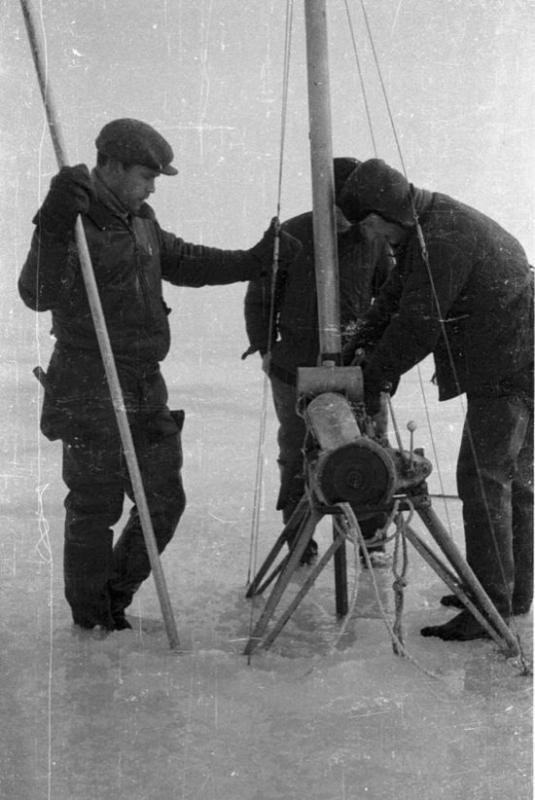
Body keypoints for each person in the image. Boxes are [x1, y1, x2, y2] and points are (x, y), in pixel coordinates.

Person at [18, 118, 301, 634]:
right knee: (95, 506)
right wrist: (54, 224)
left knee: (164, 501)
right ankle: (94, 620)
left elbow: (188, 261)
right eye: (147, 175)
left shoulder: (140, 219)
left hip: (145, 381)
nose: (152, 187)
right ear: (111, 166)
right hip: (90, 382)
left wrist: (256, 261)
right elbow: (36, 295)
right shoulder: (75, 219)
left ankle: (113, 596)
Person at [338, 157, 533, 640]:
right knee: (514, 481)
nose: (379, 241)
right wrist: (359, 342)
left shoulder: (442, 238)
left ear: (379, 218)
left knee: (485, 481)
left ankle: (490, 609)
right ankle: (508, 592)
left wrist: (373, 375)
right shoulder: (431, 220)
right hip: (519, 358)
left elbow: (420, 322)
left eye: (376, 232)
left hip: (511, 368)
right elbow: (397, 298)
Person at [243, 157, 394, 565]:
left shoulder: (373, 239)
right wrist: (265, 347)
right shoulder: (290, 234)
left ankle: (371, 539)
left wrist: (377, 353)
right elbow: (259, 296)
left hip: (354, 367)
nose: (349, 217)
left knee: (369, 445)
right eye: (341, 206)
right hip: (293, 365)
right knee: (297, 450)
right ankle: (300, 541)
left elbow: (387, 294)